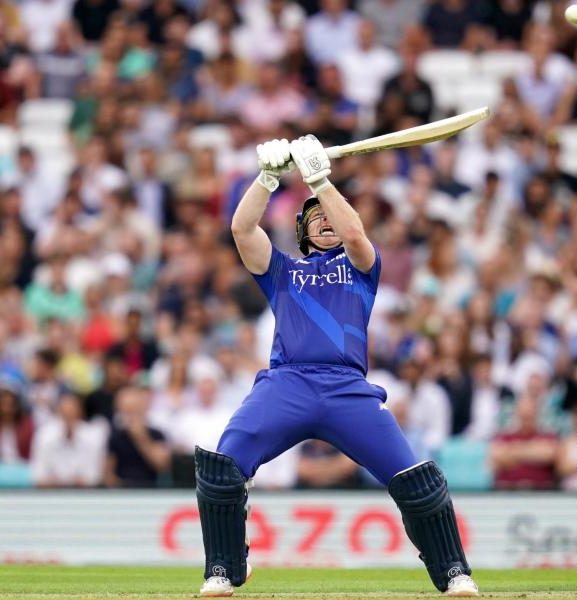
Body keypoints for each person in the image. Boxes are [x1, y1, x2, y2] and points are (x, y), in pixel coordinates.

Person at [194, 136, 478, 597]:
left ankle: (454, 574)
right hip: (288, 382)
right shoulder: (283, 271)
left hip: (347, 388)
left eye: (332, 214)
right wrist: (267, 180)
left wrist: (320, 181)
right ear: (303, 232)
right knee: (223, 467)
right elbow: (243, 230)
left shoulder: (362, 265)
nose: (326, 220)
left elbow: (356, 234)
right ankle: (223, 571)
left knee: (416, 481)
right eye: (316, 218)